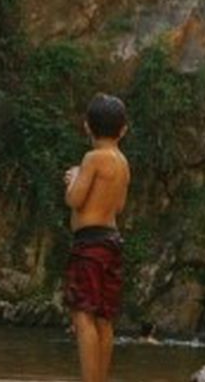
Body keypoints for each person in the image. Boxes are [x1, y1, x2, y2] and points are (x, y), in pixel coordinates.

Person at [63, 93, 131, 382]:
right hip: (111, 242)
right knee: (104, 317)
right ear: (123, 129)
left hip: (89, 244)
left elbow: (74, 200)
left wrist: (75, 178)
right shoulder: (123, 162)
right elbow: (118, 206)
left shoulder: (93, 158)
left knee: (83, 315)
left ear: (87, 126)